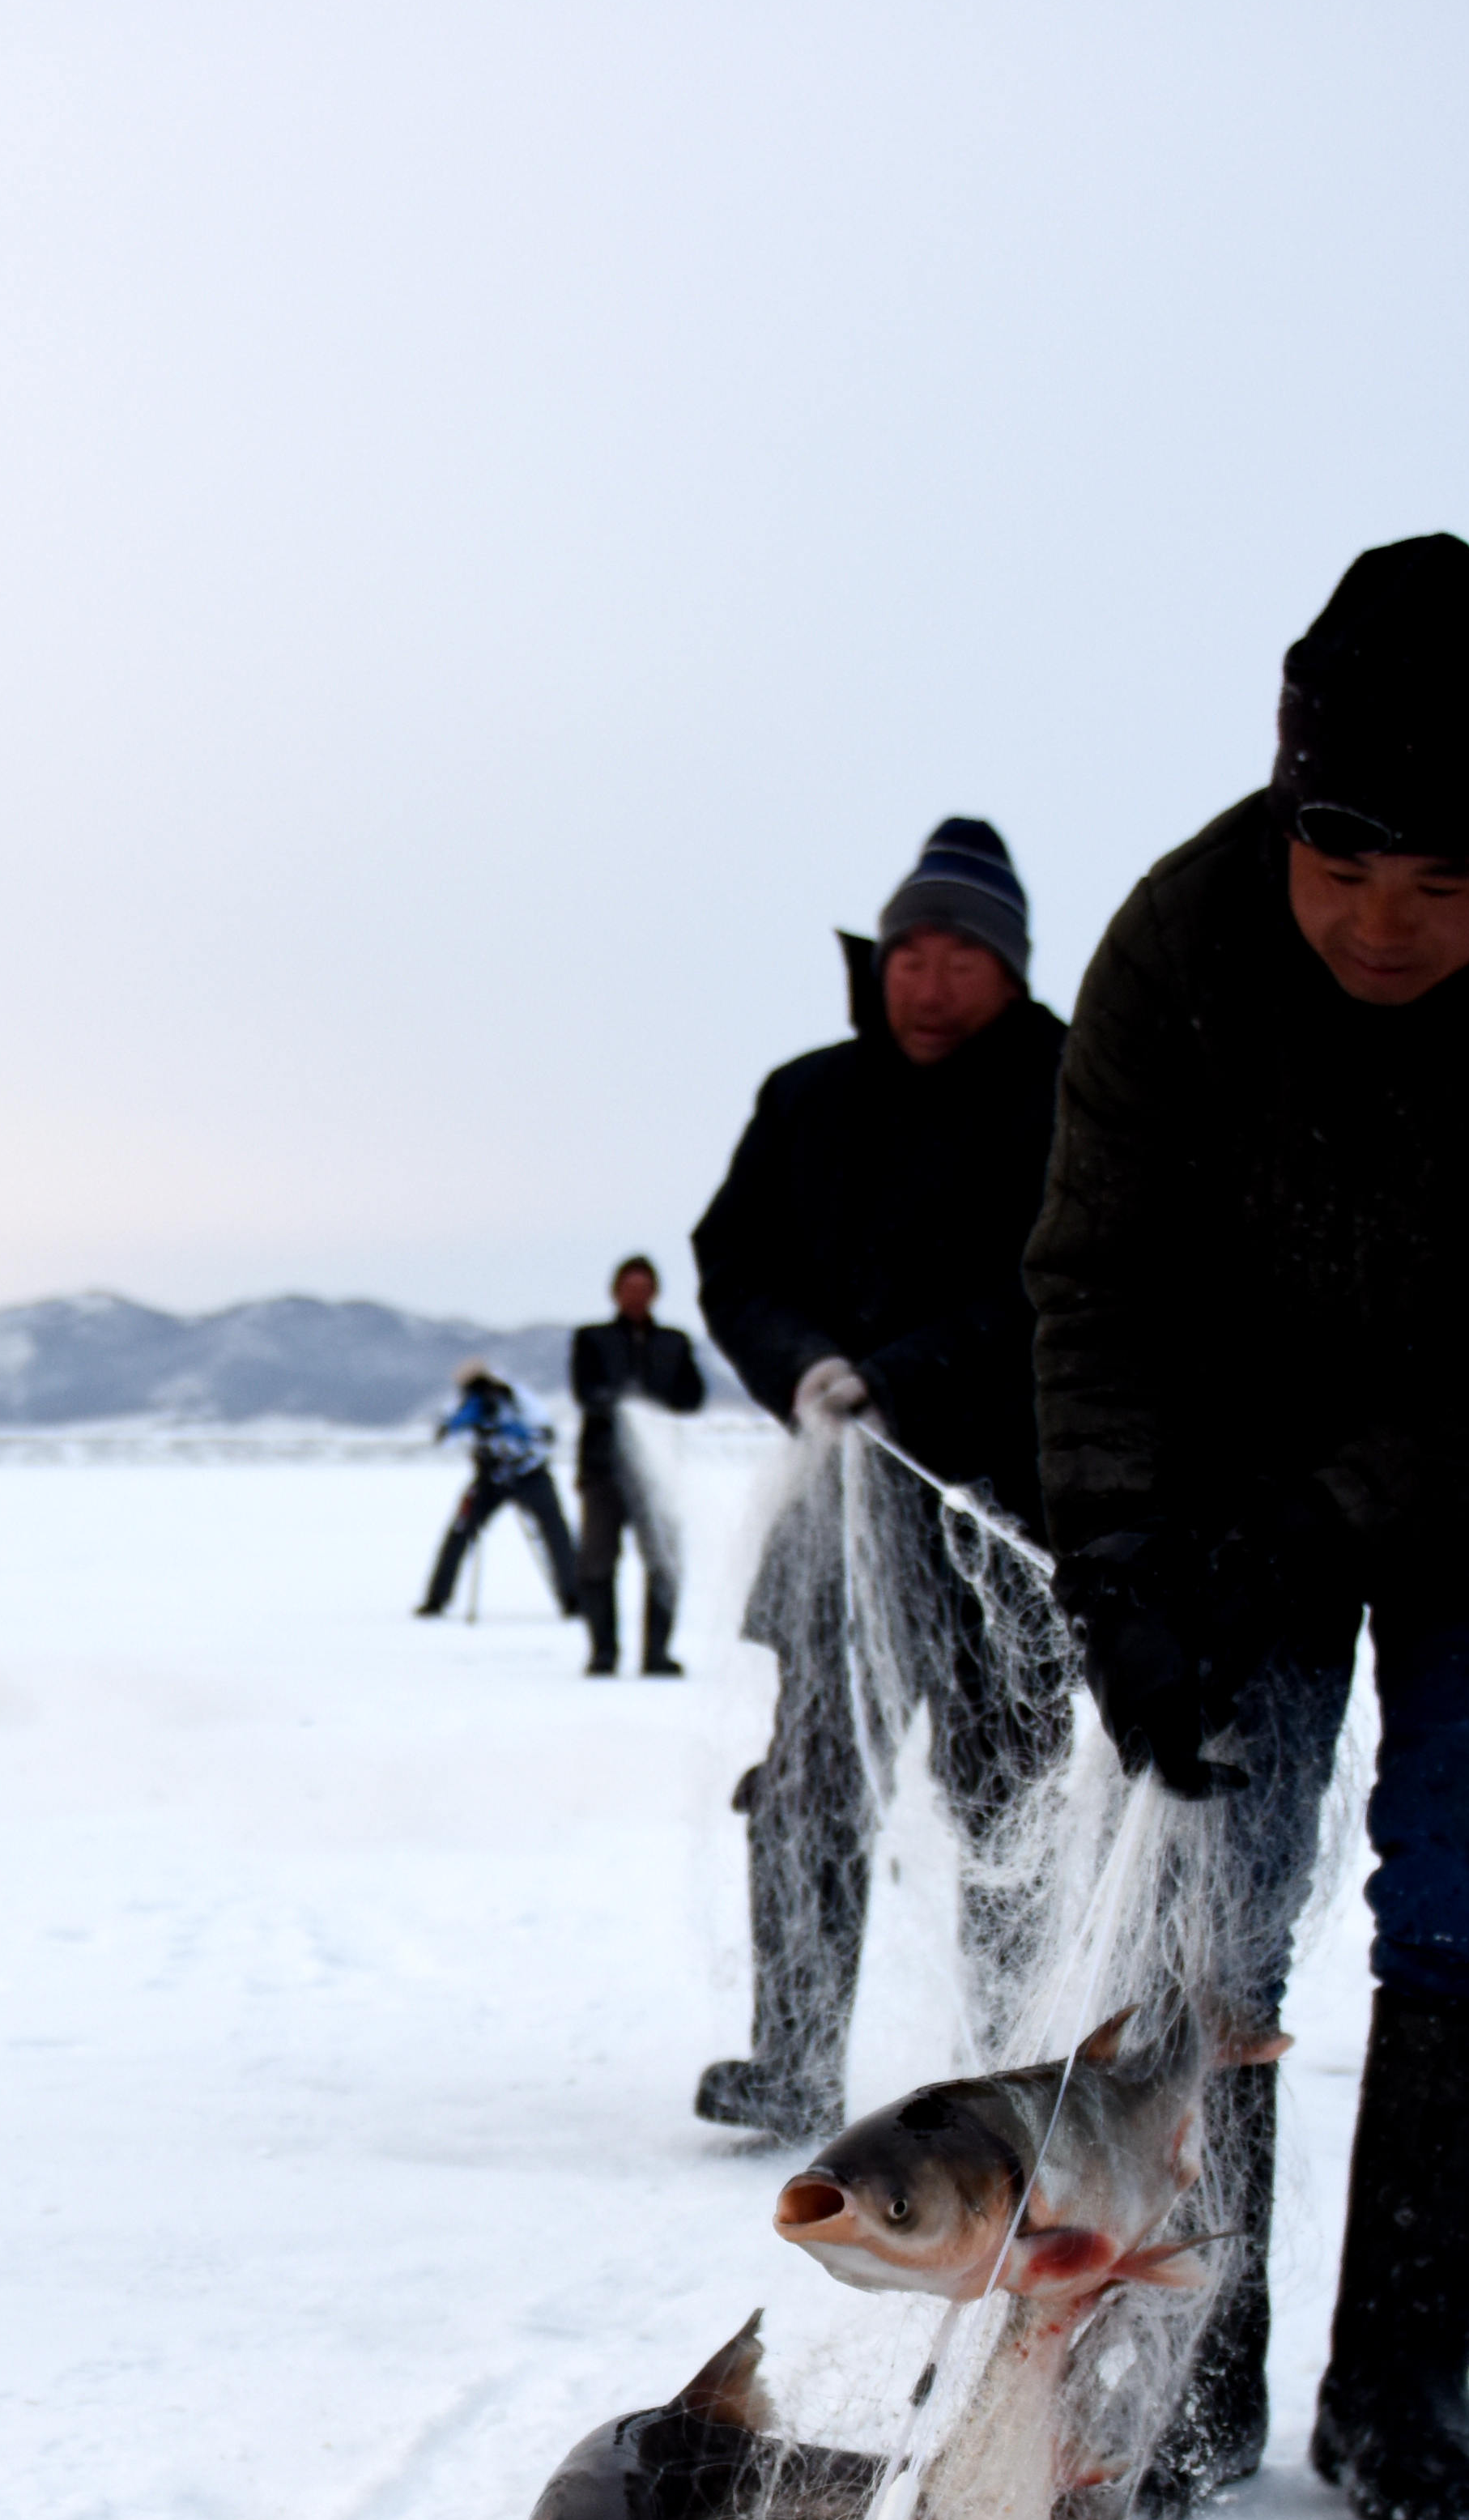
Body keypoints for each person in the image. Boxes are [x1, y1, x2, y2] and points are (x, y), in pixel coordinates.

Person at [1024, 535, 1469, 2520]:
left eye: (1443, 882)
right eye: (1343, 869)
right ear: (1285, 814)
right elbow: (1096, 1278)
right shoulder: (1183, 936)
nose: (1380, 925)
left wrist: (1294, 1535)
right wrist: (1127, 1566)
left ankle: (1404, 2375)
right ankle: (1191, 2358)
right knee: (1207, 1910)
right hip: (1229, 1466)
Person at [686, 816, 1075, 2135]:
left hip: (1005, 1508)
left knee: (1005, 1790)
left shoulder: (1071, 1090)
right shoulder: (811, 1097)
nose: (929, 976)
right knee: (805, 1786)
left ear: (1010, 967)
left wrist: (905, 1374)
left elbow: (1059, 1280)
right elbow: (734, 1260)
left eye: (961, 952)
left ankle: (1012, 2065)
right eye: (911, 949)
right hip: (840, 1499)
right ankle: (791, 2057)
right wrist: (802, 1365)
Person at [566, 1254, 705, 1677]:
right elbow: (586, 1391)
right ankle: (603, 1651)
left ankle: (657, 1653)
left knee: (663, 1559)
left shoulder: (674, 1342)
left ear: (656, 1293)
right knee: (597, 1559)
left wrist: (654, 1404)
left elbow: (692, 1396)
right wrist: (623, 1403)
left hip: (657, 1470)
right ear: (616, 1292)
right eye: (630, 1288)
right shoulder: (592, 1339)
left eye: (644, 1288)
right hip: (603, 1467)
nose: (636, 1296)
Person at [415, 1361, 575, 1618]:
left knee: (555, 1533)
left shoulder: (516, 1398)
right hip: (490, 1479)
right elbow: (446, 1432)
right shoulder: (470, 1403)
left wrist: (510, 1433)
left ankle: (574, 1598)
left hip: (529, 1474)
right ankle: (436, 1599)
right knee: (461, 1533)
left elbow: (544, 1434)